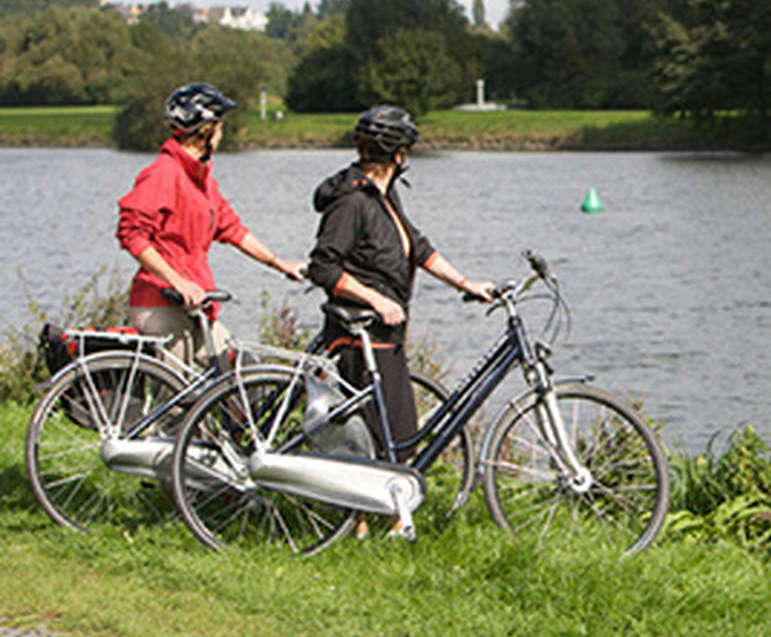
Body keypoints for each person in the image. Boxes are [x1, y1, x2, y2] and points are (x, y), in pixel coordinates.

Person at [308, 105, 496, 513]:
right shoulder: (353, 202)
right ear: (398, 154)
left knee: (398, 433)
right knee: (371, 437)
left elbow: (418, 248)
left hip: (386, 337)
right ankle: (363, 521)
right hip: (359, 335)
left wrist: (466, 283)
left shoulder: (384, 195)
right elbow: (323, 267)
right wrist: (375, 299)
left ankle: (382, 518)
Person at [116, 83, 306, 365]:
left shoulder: (200, 179)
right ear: (206, 130)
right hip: (162, 303)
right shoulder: (163, 173)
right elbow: (133, 235)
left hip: (194, 302)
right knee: (179, 401)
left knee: (240, 372)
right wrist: (177, 281)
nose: (222, 133)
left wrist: (279, 263)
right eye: (220, 127)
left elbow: (233, 230)